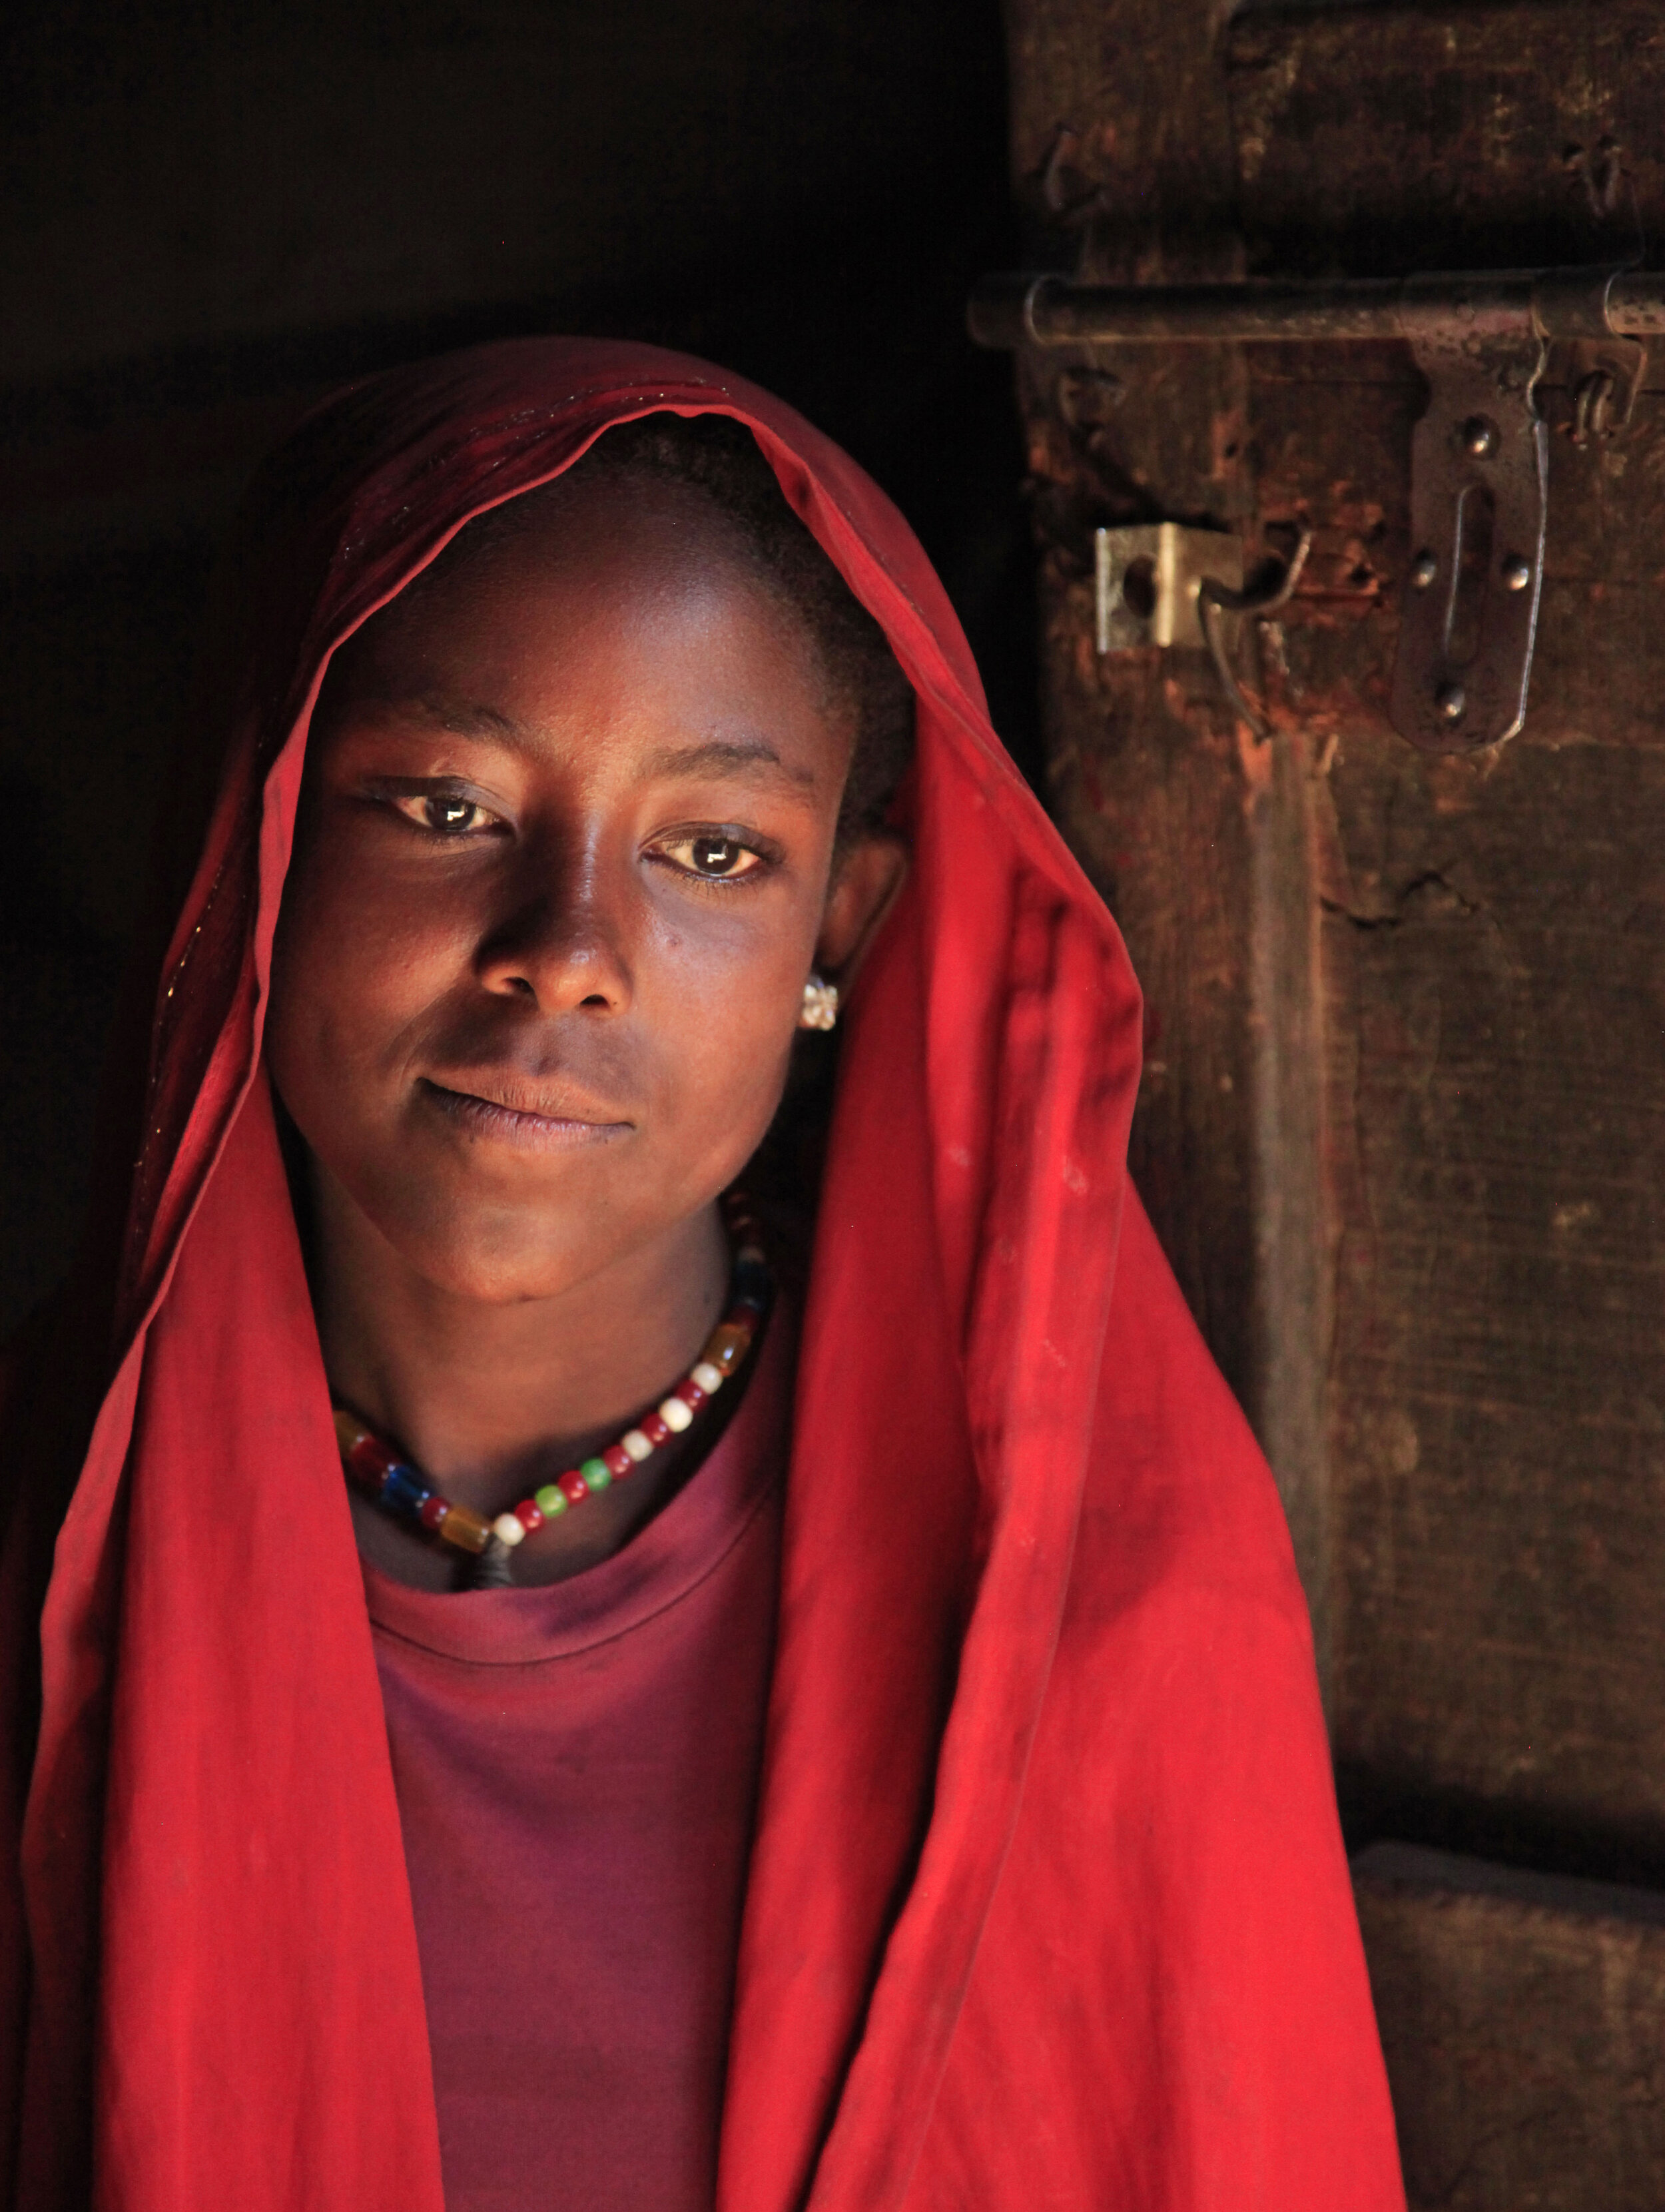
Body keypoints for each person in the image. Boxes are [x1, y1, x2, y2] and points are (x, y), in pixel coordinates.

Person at [0, 339, 1405, 2212]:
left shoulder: (1095, 1590)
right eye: (444, 806)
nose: (568, 948)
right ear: (253, 839)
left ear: (839, 926)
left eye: (713, 850)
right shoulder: (43, 1526)